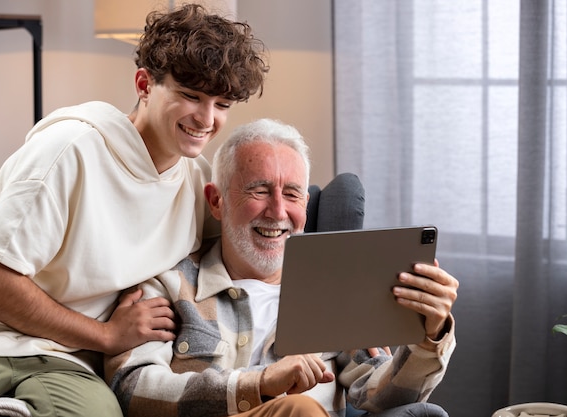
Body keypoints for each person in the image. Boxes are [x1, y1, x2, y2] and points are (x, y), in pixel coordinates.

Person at [0, 4, 268, 417]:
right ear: (144, 84)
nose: (206, 119)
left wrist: (347, 327)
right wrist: (106, 334)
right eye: (191, 96)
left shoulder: (196, 181)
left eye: (222, 104)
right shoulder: (68, 150)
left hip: (66, 361)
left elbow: (246, 258)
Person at [105, 118, 459, 417]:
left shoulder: (335, 294)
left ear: (305, 204)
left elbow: (384, 396)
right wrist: (258, 384)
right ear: (217, 201)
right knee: (299, 410)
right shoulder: (169, 284)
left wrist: (430, 335)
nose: (277, 212)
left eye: (291, 194)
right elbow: (132, 386)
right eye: (259, 191)